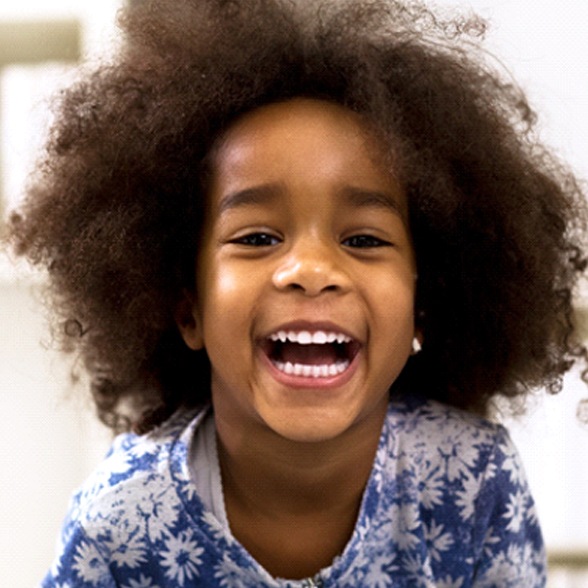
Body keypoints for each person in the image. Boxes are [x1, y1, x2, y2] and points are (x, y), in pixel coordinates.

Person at [6, 0, 587, 585]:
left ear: (424, 304)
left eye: (363, 238)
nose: (311, 269)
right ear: (187, 307)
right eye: (257, 236)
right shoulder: (120, 524)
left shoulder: (474, 479)